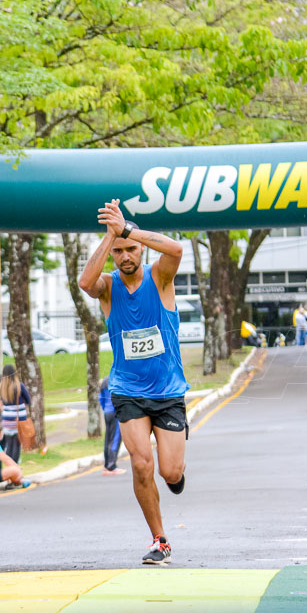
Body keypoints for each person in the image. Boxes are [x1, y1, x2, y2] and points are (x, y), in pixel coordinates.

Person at [78, 198, 189, 565]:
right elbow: (84, 282)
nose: (125, 256)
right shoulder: (108, 287)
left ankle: (175, 475)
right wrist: (109, 237)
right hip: (127, 390)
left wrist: (126, 229)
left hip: (168, 390)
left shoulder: (160, 276)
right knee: (142, 464)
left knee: (170, 471)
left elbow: (176, 248)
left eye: (131, 249)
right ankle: (160, 539)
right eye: (119, 251)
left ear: (140, 248)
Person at [0, 364, 30, 464]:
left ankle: (10, 467)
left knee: (9, 444)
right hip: (18, 419)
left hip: (7, 419)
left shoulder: (1, 387)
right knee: (17, 445)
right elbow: (28, 400)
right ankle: (15, 468)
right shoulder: (19, 386)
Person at [99, 378, 125, 475]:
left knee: (108, 438)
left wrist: (105, 408)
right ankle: (111, 465)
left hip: (107, 412)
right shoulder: (117, 379)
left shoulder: (104, 381)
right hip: (115, 412)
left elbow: (100, 397)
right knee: (115, 438)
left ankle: (107, 464)